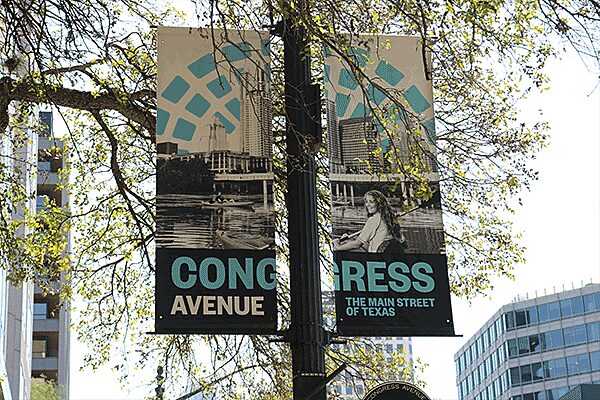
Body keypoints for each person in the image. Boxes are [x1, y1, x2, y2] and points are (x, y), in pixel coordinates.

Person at [333, 189, 406, 253]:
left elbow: (358, 244)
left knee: (347, 242)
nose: (368, 205)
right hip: (387, 251)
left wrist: (338, 246)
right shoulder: (389, 217)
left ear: (379, 204)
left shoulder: (373, 220)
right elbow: (402, 241)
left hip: (380, 255)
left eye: (371, 202)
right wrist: (355, 239)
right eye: (366, 202)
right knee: (354, 239)